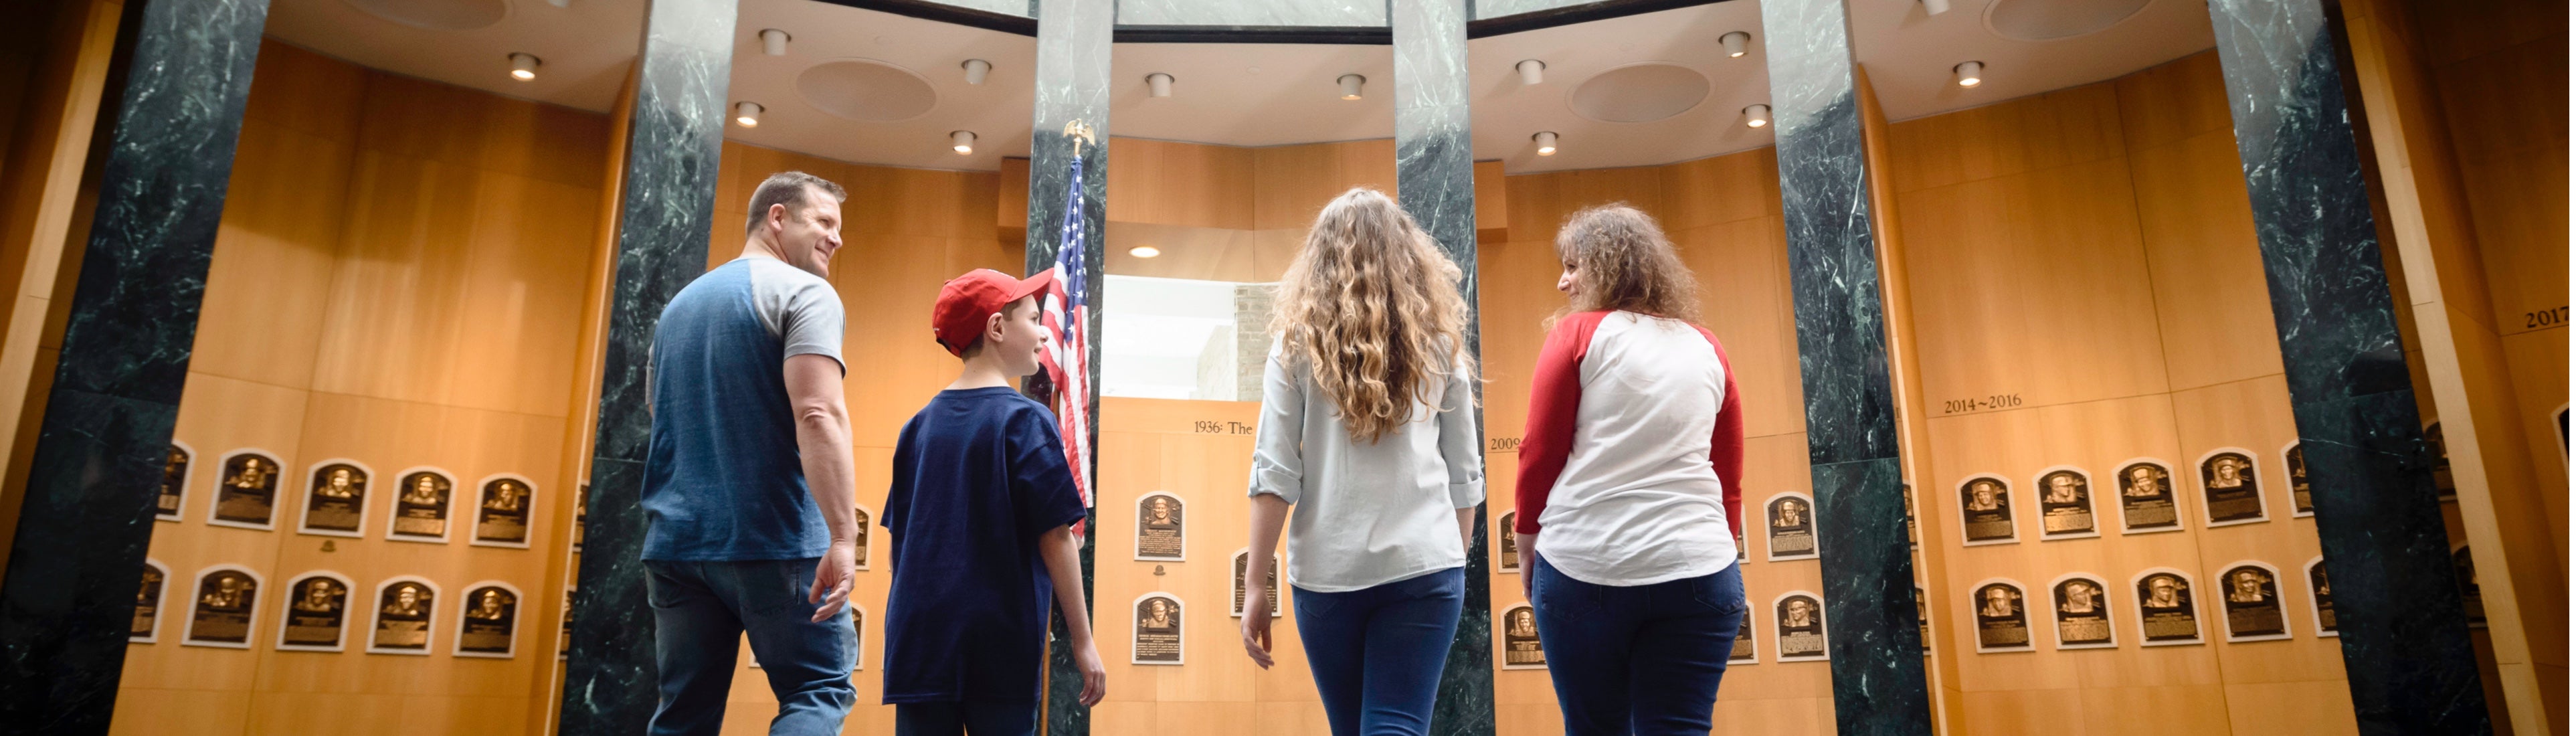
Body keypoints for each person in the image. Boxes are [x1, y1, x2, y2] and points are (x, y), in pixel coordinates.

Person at [1240, 187, 1483, 736]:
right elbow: (1465, 476)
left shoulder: (1294, 345)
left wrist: (1257, 585)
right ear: (1407, 256)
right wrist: (1449, 565)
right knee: (1396, 725)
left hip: (1329, 573)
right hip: (1426, 565)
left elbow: (1274, 474)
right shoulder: (1439, 343)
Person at [637, 171, 862, 736]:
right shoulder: (806, 293)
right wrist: (841, 535)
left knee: (683, 713)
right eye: (825, 222)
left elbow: (656, 413)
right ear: (778, 218)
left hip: (676, 547)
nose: (837, 238)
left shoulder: (676, 310)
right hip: (774, 543)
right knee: (817, 690)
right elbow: (818, 413)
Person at [1515, 203, 1746, 735]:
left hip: (1584, 568)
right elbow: (1727, 467)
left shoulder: (1577, 336)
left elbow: (1539, 451)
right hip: (1699, 572)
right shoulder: (1708, 344)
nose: (1563, 281)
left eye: (1573, 266)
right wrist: (1716, 547)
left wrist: (1526, 538)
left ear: (1608, 265)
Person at [881, 266, 1105, 736]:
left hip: (919, 647)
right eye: (1031, 317)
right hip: (999, 646)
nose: (1045, 330)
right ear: (997, 329)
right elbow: (1057, 537)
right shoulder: (1026, 421)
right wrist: (1082, 642)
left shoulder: (916, 428)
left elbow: (899, 547)